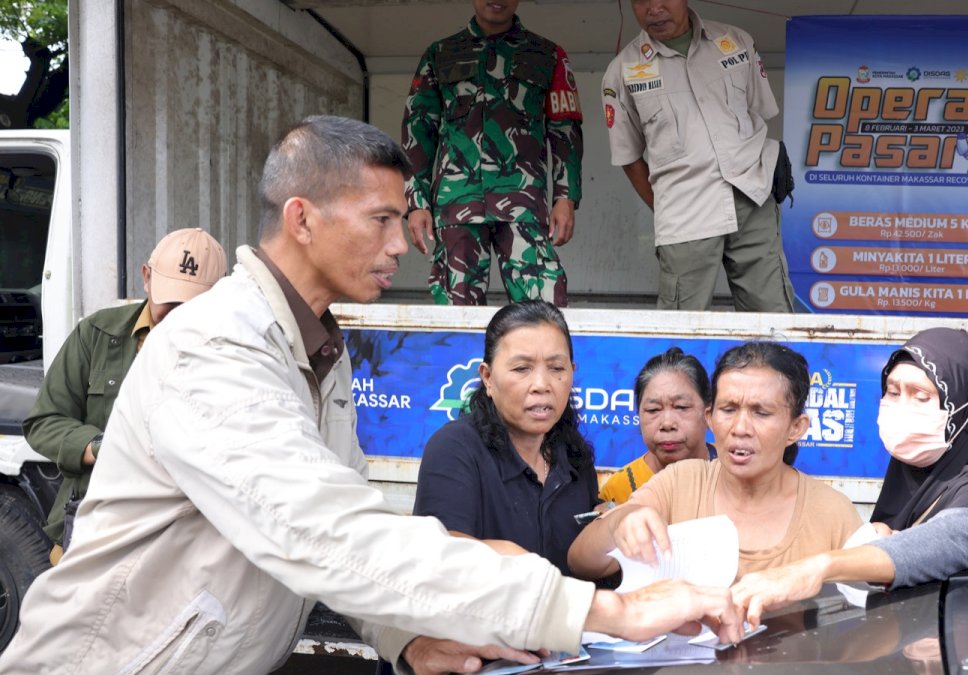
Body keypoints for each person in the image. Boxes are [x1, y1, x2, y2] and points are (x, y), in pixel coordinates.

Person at [0, 116, 742, 675]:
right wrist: (604, 609)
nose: (400, 243)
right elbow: (323, 532)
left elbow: (341, 523)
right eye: (381, 219)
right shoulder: (215, 344)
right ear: (303, 217)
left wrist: (403, 636)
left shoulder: (318, 346)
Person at [731, 328, 968, 626]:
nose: (901, 406)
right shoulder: (906, 480)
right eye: (893, 391)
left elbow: (956, 537)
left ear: (965, 408)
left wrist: (820, 567)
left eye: (921, 396)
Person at [569, 342, 862, 581]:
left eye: (761, 412)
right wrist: (618, 522)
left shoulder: (832, 512)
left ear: (796, 428)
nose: (740, 427)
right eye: (729, 409)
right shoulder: (680, 483)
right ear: (710, 418)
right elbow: (582, 562)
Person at [23, 227, 226, 563]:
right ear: (147, 278)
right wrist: (102, 447)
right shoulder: (98, 334)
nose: (177, 315)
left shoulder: (233, 353)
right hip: (95, 527)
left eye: (191, 305)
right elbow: (44, 422)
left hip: (185, 543)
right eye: (170, 300)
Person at [602, 0, 794, 312]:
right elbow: (628, 157)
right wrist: (665, 205)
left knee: (770, 317)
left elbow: (760, 112)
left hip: (752, 197)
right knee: (682, 327)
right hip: (685, 214)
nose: (654, 8)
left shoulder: (735, 42)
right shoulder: (622, 71)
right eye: (640, 0)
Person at [402, 0, 583, 307]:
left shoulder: (547, 54)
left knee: (542, 309)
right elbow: (418, 129)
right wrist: (415, 202)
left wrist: (565, 197)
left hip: (522, 201)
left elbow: (565, 128)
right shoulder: (440, 54)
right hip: (456, 202)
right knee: (456, 312)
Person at [414, 300, 598, 576]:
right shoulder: (454, 448)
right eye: (522, 368)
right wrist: (518, 562)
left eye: (556, 368)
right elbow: (442, 556)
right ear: (488, 377)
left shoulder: (574, 456)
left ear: (572, 371)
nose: (542, 385)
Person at [598, 346, 714, 504]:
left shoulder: (734, 472)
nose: (667, 423)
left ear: (708, 413)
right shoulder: (618, 492)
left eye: (681, 407)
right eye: (653, 410)